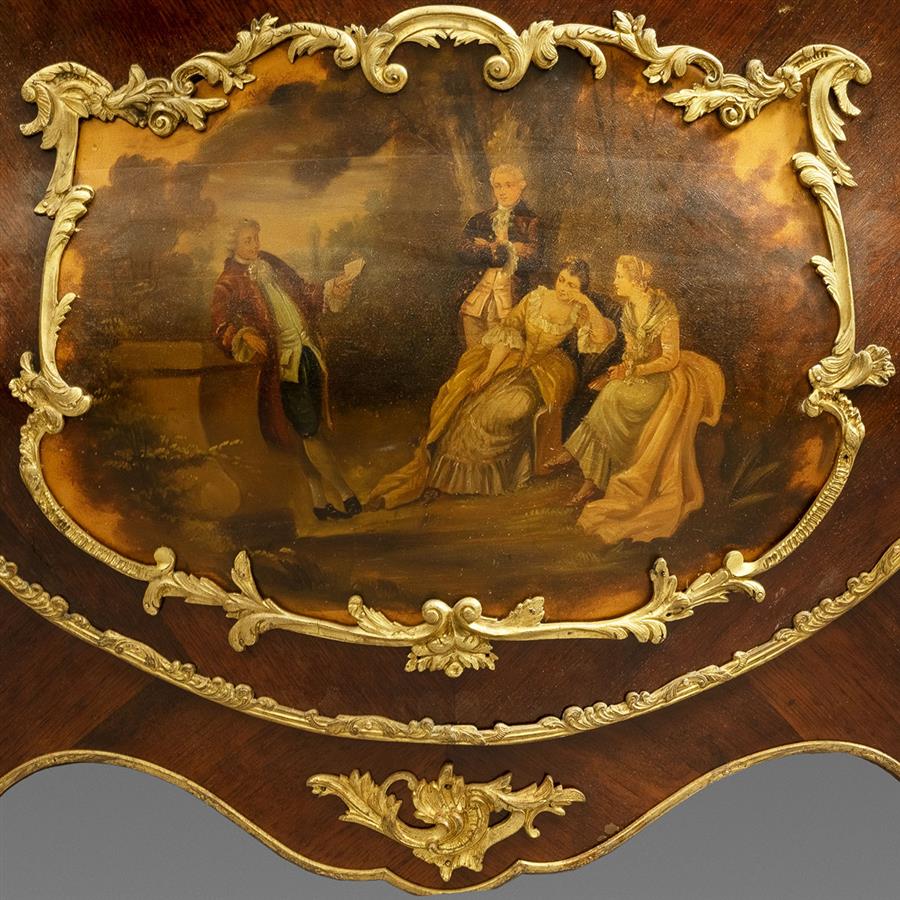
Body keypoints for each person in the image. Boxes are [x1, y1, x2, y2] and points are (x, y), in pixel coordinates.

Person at [368, 257, 615, 509]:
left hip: (546, 373)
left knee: (511, 408)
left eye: (572, 285)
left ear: (580, 290)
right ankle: (441, 479)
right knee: (474, 404)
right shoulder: (536, 298)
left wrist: (585, 301)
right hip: (512, 360)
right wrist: (488, 372)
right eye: (561, 280)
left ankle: (494, 477)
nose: (563, 288)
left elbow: (602, 335)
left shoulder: (578, 310)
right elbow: (509, 330)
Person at [556, 254, 725, 543]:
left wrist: (632, 371)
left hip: (662, 379)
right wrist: (616, 373)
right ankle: (590, 483)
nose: (614, 282)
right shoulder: (629, 309)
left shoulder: (663, 310)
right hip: (638, 375)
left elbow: (670, 359)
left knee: (613, 397)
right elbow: (630, 353)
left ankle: (577, 459)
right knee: (610, 392)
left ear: (635, 281)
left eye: (619, 277)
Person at [211, 218, 361, 521]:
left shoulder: (271, 263)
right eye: (247, 240)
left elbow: (305, 292)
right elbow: (219, 325)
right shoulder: (228, 281)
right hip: (283, 366)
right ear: (233, 245)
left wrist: (335, 287)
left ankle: (319, 502)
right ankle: (347, 495)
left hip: (308, 353)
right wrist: (243, 335)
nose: (255, 245)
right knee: (309, 431)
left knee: (304, 432)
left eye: (256, 238)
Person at [456, 164, 543, 349]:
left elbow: (534, 259)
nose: (502, 191)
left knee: (503, 346)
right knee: (473, 336)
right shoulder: (479, 219)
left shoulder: (532, 221)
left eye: (508, 185)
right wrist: (496, 250)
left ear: (521, 186)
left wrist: (496, 248)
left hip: (511, 295)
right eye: (498, 186)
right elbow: (462, 249)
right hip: (478, 293)